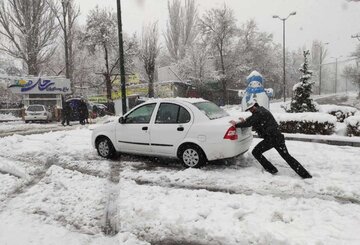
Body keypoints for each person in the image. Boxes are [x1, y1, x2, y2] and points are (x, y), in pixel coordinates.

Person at [230, 97, 312, 179]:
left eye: (251, 108)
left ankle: (271, 169)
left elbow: (250, 122)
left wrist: (236, 124)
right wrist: (245, 121)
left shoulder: (259, 113)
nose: (250, 110)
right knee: (287, 156)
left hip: (272, 138)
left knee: (256, 152)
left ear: (255, 105)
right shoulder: (261, 110)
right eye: (249, 109)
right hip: (277, 137)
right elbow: (253, 119)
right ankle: (305, 175)